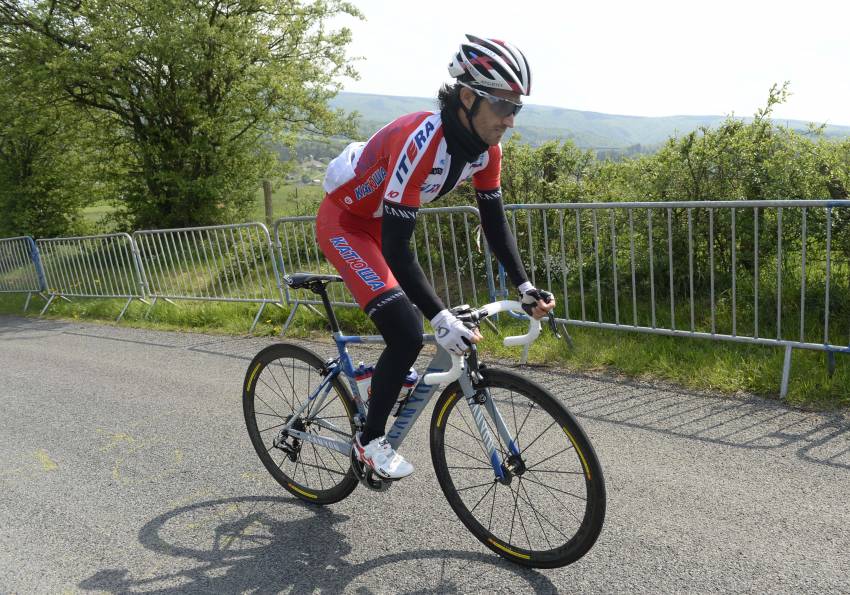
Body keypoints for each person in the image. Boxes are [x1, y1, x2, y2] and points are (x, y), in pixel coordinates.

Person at [316, 34, 555, 480]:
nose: (511, 120)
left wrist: (524, 287)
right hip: (346, 224)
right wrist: (439, 319)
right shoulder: (421, 140)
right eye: (504, 105)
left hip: (379, 225)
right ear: (468, 97)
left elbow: (495, 224)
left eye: (516, 108)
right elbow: (397, 249)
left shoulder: (487, 151)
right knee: (407, 331)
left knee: (417, 325)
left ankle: (385, 383)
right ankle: (369, 441)